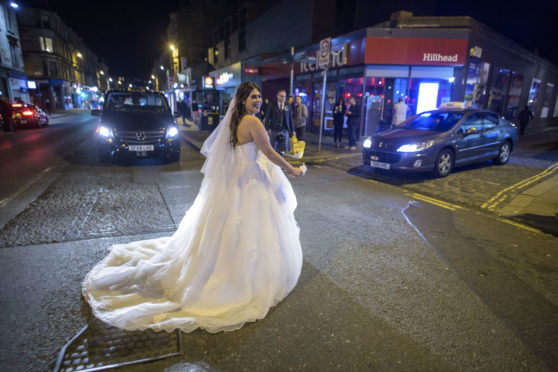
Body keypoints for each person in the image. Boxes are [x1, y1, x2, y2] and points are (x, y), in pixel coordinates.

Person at [82, 82, 305, 333]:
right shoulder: (253, 122)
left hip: (235, 181)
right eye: (253, 96)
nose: (258, 100)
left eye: (260, 96)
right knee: (252, 228)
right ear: (242, 99)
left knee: (228, 229)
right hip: (250, 181)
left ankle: (225, 269)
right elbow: (270, 152)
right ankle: (244, 279)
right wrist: (292, 168)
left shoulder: (235, 120)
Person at [263, 89, 294, 155]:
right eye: (281, 96)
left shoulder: (287, 105)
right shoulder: (272, 104)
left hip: (284, 129)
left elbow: (290, 118)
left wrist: (293, 130)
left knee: (282, 150)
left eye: (284, 96)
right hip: (274, 129)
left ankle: (280, 164)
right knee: (272, 149)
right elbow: (267, 117)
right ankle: (272, 164)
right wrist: (266, 129)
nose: (283, 98)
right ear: (277, 96)